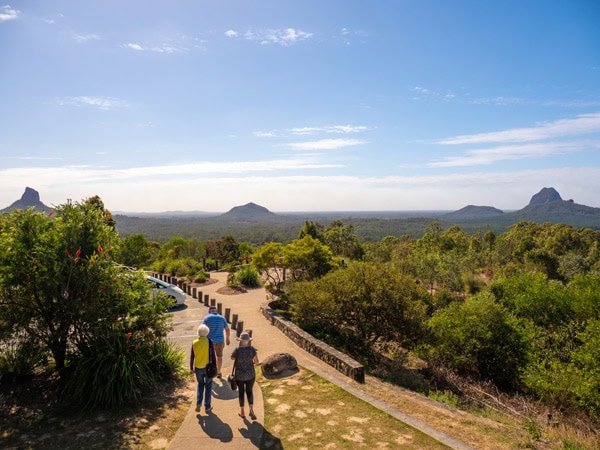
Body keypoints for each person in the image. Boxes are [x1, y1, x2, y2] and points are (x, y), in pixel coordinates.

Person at [231, 331, 259, 420]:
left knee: (241, 392)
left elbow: (232, 357)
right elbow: (256, 362)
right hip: (250, 374)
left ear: (240, 341)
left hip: (239, 375)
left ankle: (242, 411)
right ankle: (251, 409)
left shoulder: (237, 350)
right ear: (248, 341)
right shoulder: (252, 349)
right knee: (249, 391)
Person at [190, 324, 216, 414]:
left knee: (200, 385)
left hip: (198, 368)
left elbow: (192, 356)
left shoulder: (194, 342)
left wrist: (191, 367)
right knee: (208, 386)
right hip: (208, 368)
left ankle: (198, 403)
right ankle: (207, 406)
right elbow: (213, 355)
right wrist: (215, 365)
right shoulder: (209, 342)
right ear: (207, 332)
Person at [202, 305, 231, 378]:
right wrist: (227, 338)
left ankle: (210, 372)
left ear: (209, 311)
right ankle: (218, 372)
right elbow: (227, 329)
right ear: (216, 311)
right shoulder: (222, 318)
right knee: (219, 357)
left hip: (209, 341)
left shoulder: (206, 318)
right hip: (220, 340)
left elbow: (203, 329)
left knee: (209, 358)